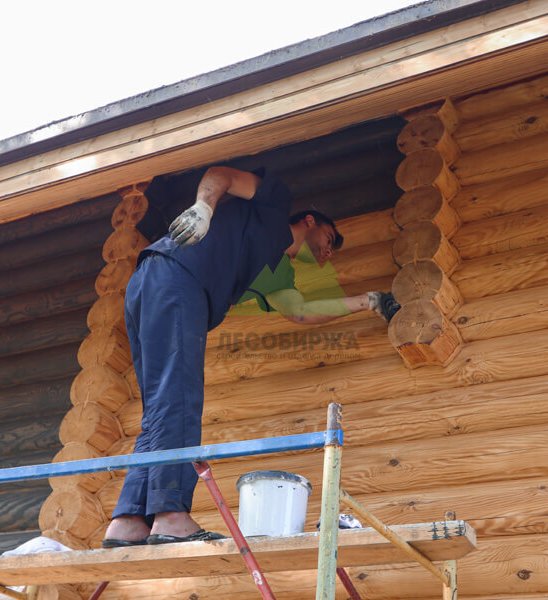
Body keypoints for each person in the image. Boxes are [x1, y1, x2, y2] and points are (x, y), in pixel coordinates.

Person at [102, 166, 397, 547]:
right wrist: (203, 208)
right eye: (330, 238)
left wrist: (369, 301)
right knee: (180, 400)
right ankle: (171, 516)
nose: (329, 250)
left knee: (159, 409)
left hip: (151, 281)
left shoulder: (275, 270)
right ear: (310, 221)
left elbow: (300, 311)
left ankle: (128, 521)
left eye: (332, 250)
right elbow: (220, 174)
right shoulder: (274, 204)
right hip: (177, 275)